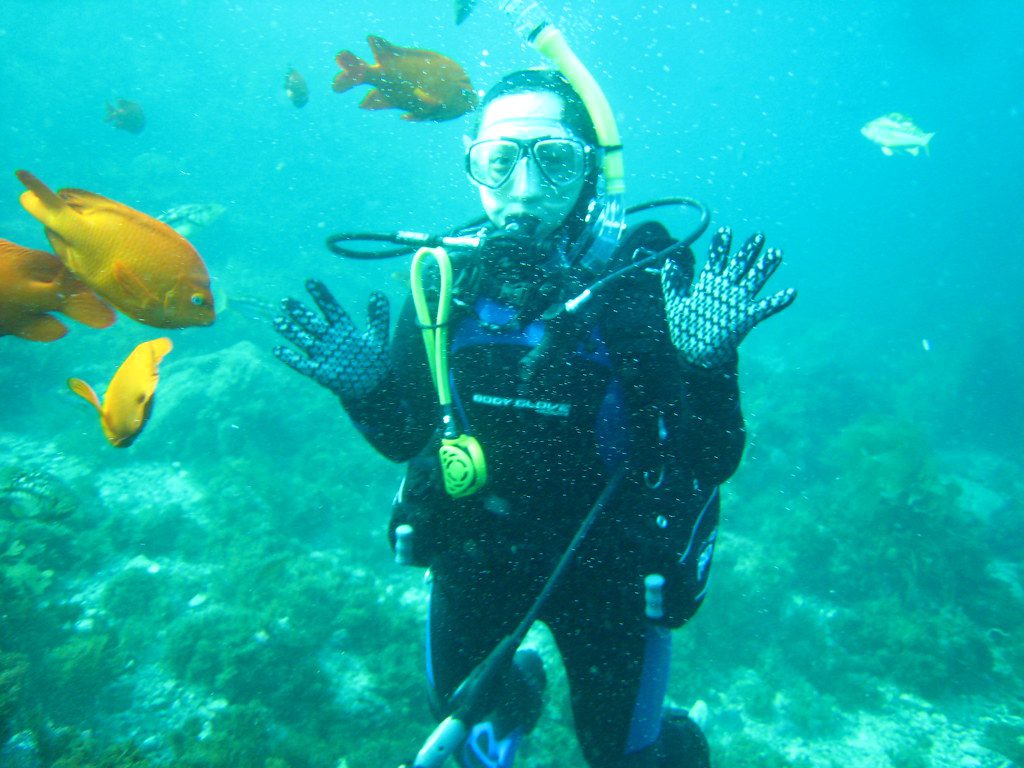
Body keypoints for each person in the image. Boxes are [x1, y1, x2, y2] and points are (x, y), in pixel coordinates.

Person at [273, 69, 795, 768]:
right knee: (465, 738)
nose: (523, 189)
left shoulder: (641, 283)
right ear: (472, 166)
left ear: (590, 171)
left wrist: (706, 364)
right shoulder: (444, 281)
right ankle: (519, 693)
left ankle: (678, 735)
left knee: (628, 759)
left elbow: (709, 460)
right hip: (479, 553)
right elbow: (406, 437)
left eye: (552, 160)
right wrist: (365, 388)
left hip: (608, 568)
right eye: (499, 159)